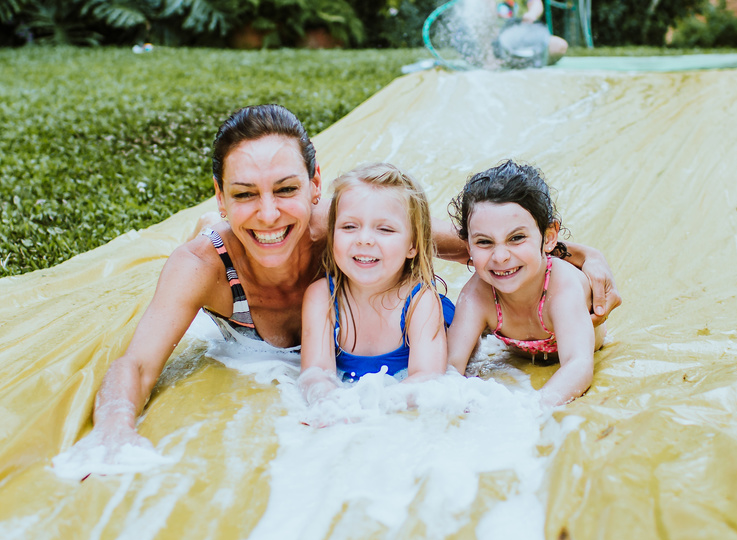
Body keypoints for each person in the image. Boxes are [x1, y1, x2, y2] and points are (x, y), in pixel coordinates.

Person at [84, 105, 619, 456]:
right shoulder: (202, 268)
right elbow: (135, 363)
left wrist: (583, 257)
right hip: (259, 331)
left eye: (286, 189)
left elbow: (483, 243)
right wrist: (113, 432)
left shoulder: (342, 232)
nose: (269, 214)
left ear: (315, 186)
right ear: (220, 197)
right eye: (245, 194)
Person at [446, 160, 605, 406]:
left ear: (549, 237)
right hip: (520, 354)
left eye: (516, 238)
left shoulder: (562, 288)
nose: (500, 257)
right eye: (484, 242)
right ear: (468, 246)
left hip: (580, 346)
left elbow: (578, 365)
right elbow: (449, 367)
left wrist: (530, 410)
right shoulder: (478, 294)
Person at [299, 163, 455, 403]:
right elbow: (315, 375)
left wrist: (367, 406)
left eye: (384, 229)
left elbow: (427, 378)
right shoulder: (321, 298)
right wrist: (331, 406)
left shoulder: (420, 302)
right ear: (332, 236)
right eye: (349, 226)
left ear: (412, 245)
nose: (364, 240)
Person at [493, 0, 568, 67]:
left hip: (522, 39)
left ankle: (517, 62)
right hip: (494, 42)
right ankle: (512, 61)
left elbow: (536, 4)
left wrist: (531, 14)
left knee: (559, 46)